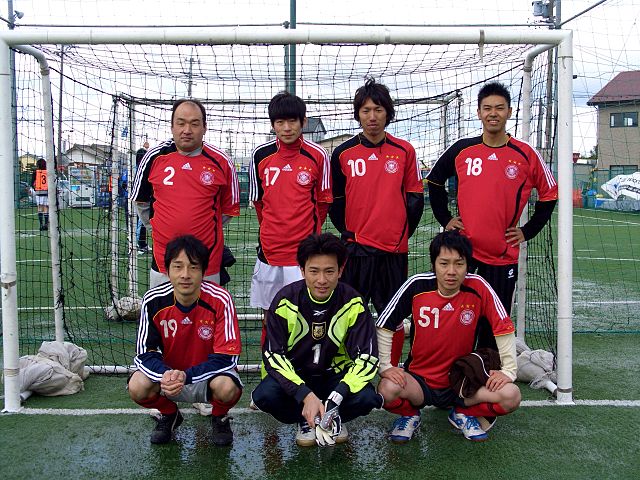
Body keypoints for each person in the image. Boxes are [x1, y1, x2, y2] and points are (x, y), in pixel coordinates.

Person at [427, 81, 558, 350]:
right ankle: (454, 366)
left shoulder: (525, 154)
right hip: (463, 253)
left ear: (509, 112)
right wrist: (445, 218)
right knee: (457, 316)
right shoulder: (462, 149)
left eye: (499, 108)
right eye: (487, 108)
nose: (493, 113)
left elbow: (550, 194)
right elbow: (435, 180)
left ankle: (485, 367)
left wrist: (528, 231)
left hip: (501, 255)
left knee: (493, 322)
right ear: (479, 113)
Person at [376, 230, 521, 443]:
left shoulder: (478, 286)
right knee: (386, 390)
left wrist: (509, 371)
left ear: (468, 265)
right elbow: (384, 324)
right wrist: (385, 366)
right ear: (433, 264)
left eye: (459, 264)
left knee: (511, 396)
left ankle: (462, 414)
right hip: (419, 381)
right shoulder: (417, 285)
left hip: (462, 382)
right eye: (444, 263)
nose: (451, 271)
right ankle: (409, 415)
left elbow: (504, 326)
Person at [251, 232, 382, 447]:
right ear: (302, 270)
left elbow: (367, 358)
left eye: (329, 271)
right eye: (314, 271)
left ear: (340, 270)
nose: (322, 280)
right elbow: (273, 356)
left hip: (335, 377)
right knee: (265, 395)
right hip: (297, 376)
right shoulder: (284, 301)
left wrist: (338, 396)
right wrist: (304, 394)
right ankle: (305, 418)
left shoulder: (353, 303)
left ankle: (333, 415)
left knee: (368, 398)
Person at [329, 78, 424, 365]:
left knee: (392, 315)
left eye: (378, 110)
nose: (372, 117)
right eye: (366, 110)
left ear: (388, 113)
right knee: (349, 312)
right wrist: (350, 232)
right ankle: (349, 369)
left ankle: (388, 369)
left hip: (392, 251)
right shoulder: (342, 153)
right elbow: (336, 202)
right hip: (356, 249)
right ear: (358, 114)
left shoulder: (405, 151)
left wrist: (398, 234)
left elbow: (415, 199)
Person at [128, 234, 242, 446]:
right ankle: (169, 414)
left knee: (227, 387)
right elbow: (145, 353)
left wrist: (186, 376)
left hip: (207, 377)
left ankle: (219, 417)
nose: (185, 275)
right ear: (167, 270)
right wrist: (167, 375)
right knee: (137, 385)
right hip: (168, 378)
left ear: (203, 271)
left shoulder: (220, 299)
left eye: (193, 267)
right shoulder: (153, 300)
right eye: (178, 267)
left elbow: (226, 357)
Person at [249, 91, 332, 341]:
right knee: (271, 316)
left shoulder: (318, 155)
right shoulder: (260, 155)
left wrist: (306, 234)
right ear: (272, 124)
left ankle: (304, 363)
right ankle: (269, 362)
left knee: (306, 317)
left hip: (303, 254)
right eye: (280, 122)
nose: (286, 128)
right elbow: (258, 202)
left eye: (292, 121)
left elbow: (323, 202)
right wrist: (273, 230)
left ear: (303, 121)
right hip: (270, 251)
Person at [131, 99, 240, 288]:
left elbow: (228, 210)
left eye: (194, 124)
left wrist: (203, 226)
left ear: (205, 127)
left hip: (207, 261)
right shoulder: (154, 157)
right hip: (163, 260)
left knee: (206, 308)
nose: (187, 130)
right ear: (172, 126)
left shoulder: (221, 162)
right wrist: (158, 228)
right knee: (163, 307)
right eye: (181, 123)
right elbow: (140, 202)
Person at [135, 141, 150, 254]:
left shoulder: (137, 168)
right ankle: (139, 244)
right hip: (137, 200)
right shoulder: (139, 169)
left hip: (135, 199)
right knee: (140, 223)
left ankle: (141, 243)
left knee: (140, 223)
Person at [31, 158, 49, 231]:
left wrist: (35, 189)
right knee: (46, 208)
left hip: (38, 192)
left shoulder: (35, 172)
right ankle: (46, 224)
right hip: (46, 192)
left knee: (40, 208)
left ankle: (41, 224)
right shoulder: (48, 172)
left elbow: (32, 183)